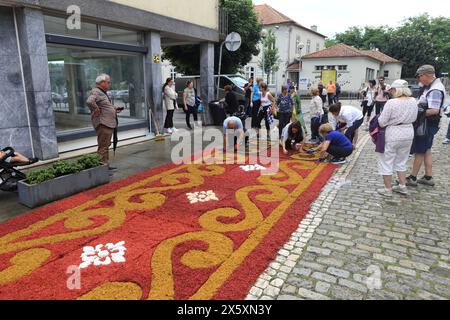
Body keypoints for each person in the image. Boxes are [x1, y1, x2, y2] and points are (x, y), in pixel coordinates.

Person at [375, 80, 419, 197]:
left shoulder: (391, 103)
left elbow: (382, 122)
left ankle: (388, 189)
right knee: (402, 161)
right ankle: (402, 186)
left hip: (393, 133)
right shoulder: (413, 101)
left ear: (395, 90)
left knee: (387, 162)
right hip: (408, 132)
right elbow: (415, 118)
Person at [407, 65, 447, 187]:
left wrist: (416, 111)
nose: (419, 79)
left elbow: (434, 110)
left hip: (427, 124)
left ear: (426, 75)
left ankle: (412, 177)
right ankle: (428, 177)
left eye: (419, 76)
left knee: (420, 150)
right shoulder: (432, 86)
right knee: (427, 149)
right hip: (429, 123)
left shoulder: (434, 90)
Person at [87, 74, 123, 169]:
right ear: (102, 83)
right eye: (108, 82)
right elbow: (90, 101)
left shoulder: (101, 92)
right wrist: (96, 109)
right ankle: (102, 168)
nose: (109, 84)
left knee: (106, 145)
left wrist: (114, 109)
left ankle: (105, 165)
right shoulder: (96, 92)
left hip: (107, 123)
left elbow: (104, 105)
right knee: (103, 146)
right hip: (103, 123)